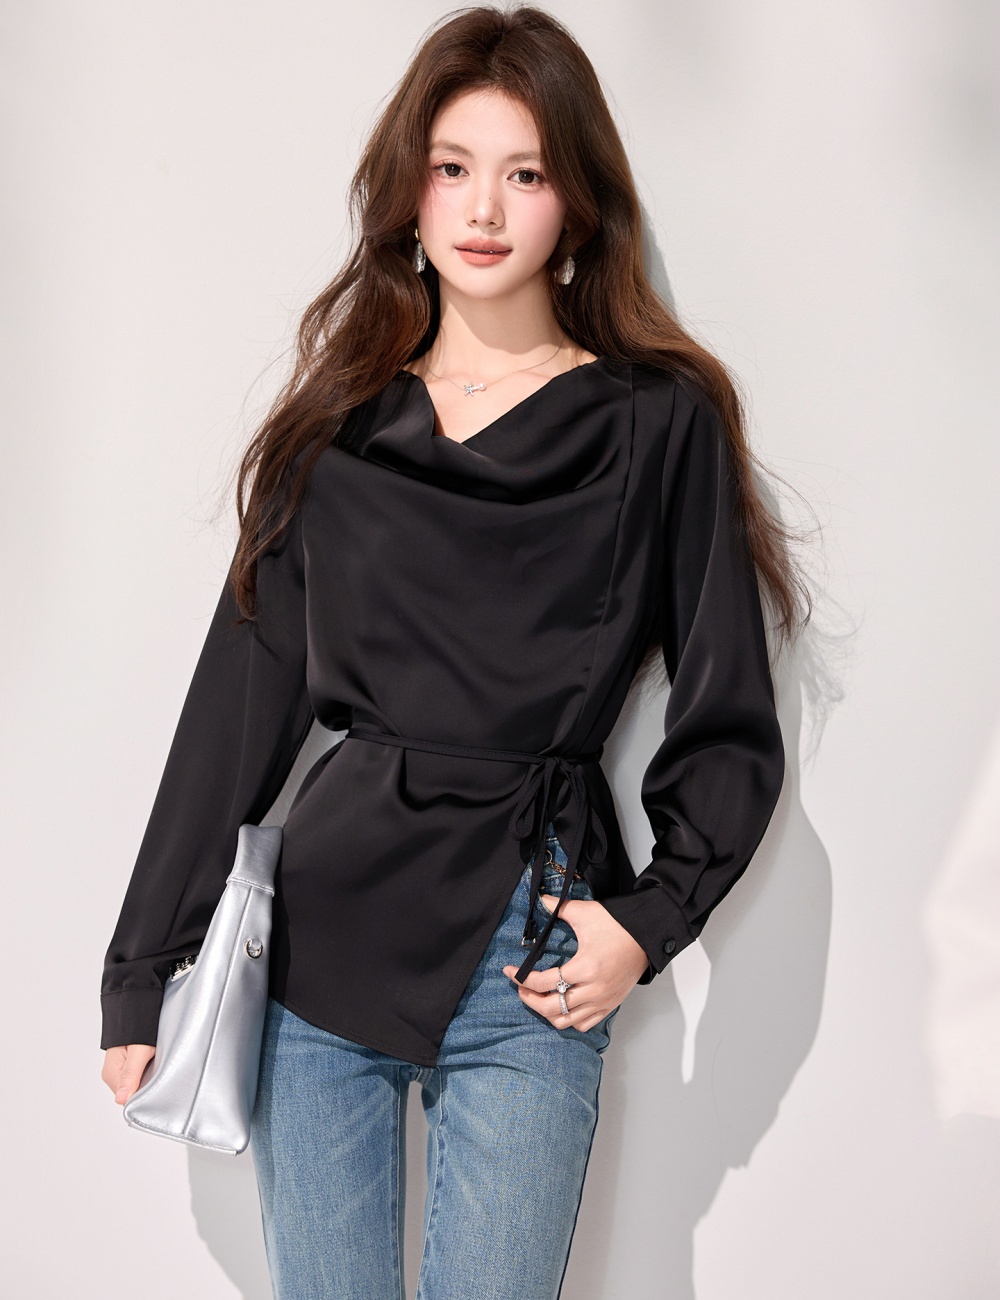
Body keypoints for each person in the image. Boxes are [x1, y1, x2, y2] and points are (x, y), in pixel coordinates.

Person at [100, 7, 805, 1297]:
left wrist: (650, 921)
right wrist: (142, 969)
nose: (484, 208)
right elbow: (237, 708)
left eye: (525, 173)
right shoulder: (337, 432)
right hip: (324, 952)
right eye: (452, 167)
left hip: (532, 956)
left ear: (575, 205)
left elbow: (726, 710)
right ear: (409, 196)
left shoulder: (657, 423)